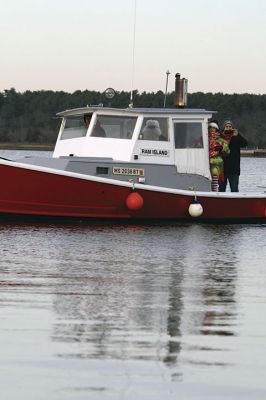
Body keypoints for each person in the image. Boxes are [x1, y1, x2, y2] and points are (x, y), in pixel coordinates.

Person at [219, 120, 248, 192]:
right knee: (221, 190)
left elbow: (245, 144)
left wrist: (238, 135)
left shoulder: (236, 137)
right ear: (224, 128)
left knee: (234, 189)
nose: (228, 128)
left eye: (230, 127)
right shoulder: (220, 137)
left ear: (233, 128)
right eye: (227, 126)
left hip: (234, 169)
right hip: (222, 169)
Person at [208, 122, 230, 191]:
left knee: (215, 178)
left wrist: (221, 148)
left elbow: (228, 150)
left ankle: (214, 192)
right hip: (205, 161)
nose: (212, 130)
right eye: (210, 128)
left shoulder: (220, 140)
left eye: (213, 128)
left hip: (216, 162)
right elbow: (197, 146)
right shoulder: (204, 138)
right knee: (206, 179)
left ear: (216, 130)